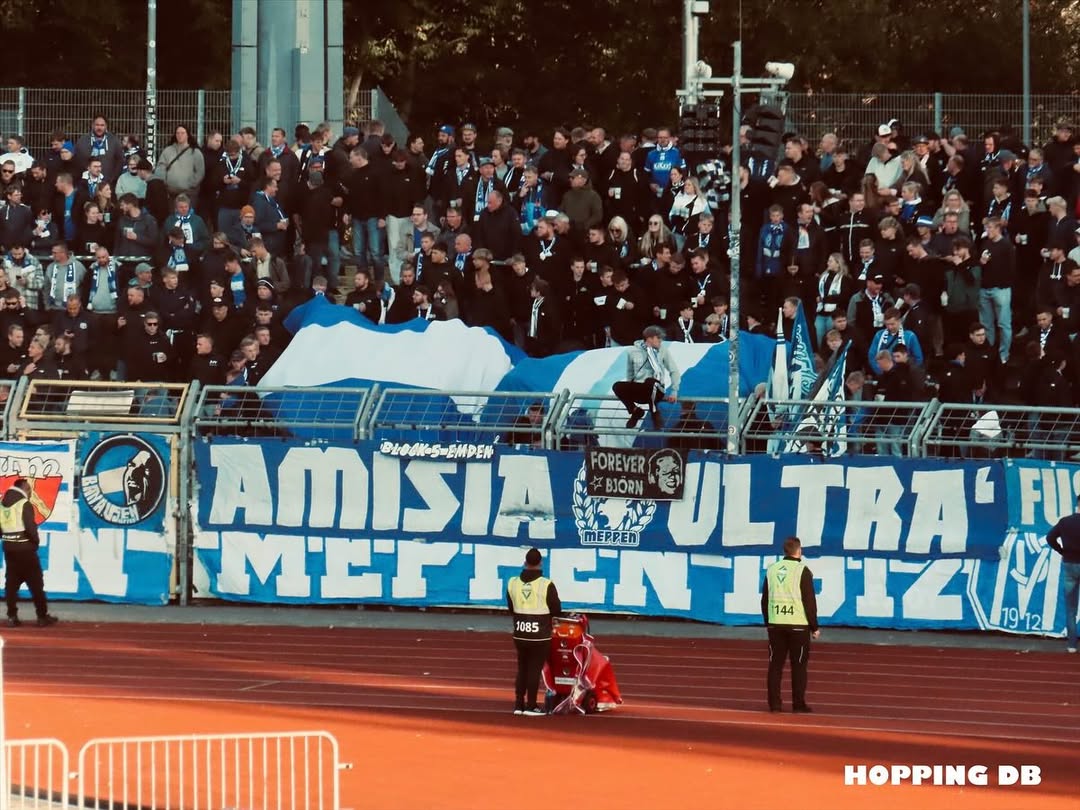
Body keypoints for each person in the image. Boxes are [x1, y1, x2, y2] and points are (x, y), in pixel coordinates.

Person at [761, 536, 819, 713]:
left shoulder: (772, 570)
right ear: (799, 550)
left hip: (776, 624)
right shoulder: (803, 571)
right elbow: (809, 601)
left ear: (785, 551)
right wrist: (814, 627)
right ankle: (798, 703)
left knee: (775, 665)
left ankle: (775, 704)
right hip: (798, 626)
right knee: (799, 665)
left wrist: (768, 622)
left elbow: (765, 599)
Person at [506, 547, 562, 716]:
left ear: (525, 562)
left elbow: (511, 606)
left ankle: (518, 704)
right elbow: (556, 609)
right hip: (540, 635)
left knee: (522, 668)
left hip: (520, 632)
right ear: (540, 563)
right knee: (534, 669)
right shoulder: (546, 584)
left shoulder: (512, 582)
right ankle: (531, 706)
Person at [1, 478, 58, 627]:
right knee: (36, 583)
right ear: (24, 488)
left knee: (11, 585)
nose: (30, 491)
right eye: (29, 489)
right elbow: (30, 527)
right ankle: (42, 616)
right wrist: (35, 543)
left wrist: (8, 539)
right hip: (25, 549)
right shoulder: (24, 504)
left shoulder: (2, 505)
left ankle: (12, 616)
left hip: (9, 549)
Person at [612, 325, 681, 429]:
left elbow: (674, 370)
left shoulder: (663, 350)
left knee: (650, 381)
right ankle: (635, 411)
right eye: (658, 338)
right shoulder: (632, 351)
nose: (661, 341)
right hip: (640, 389)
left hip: (656, 389)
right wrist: (630, 388)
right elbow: (630, 372)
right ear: (649, 339)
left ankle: (654, 413)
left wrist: (674, 391)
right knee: (617, 386)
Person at [1046, 497, 1080, 653]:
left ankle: (1072, 645)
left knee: (1071, 608)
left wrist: (1061, 551)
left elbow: (1050, 538)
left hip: (1069, 565)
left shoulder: (1065, 522)